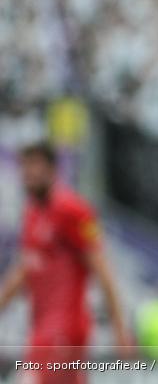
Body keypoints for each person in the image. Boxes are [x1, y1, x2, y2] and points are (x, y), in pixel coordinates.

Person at [0, 141, 132, 384]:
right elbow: (22, 272)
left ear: (52, 169)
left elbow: (103, 270)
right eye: (24, 165)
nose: (28, 172)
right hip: (41, 327)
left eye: (35, 164)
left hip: (64, 327)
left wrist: (120, 328)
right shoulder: (32, 213)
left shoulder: (73, 210)